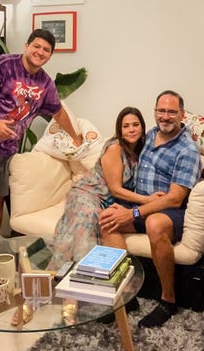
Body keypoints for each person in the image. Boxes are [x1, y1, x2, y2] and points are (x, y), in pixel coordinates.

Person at [0, 28, 82, 251]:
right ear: (26, 46)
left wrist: (77, 137)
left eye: (46, 50)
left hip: (6, 149)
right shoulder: (3, 66)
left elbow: (58, 112)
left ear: (50, 56)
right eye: (37, 46)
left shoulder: (44, 83)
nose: (40, 52)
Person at [99, 90, 202, 328]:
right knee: (106, 218)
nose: (165, 116)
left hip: (170, 211)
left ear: (182, 114)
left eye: (172, 112)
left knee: (155, 223)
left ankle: (168, 300)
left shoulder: (187, 150)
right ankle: (125, 294)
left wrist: (133, 212)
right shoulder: (151, 134)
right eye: (161, 111)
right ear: (155, 112)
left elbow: (175, 199)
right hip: (142, 203)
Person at [50, 106, 166, 269]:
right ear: (119, 130)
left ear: (142, 127)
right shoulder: (115, 148)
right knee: (91, 218)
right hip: (87, 193)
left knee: (106, 217)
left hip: (107, 201)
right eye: (126, 126)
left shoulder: (141, 149)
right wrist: (148, 200)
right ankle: (78, 274)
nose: (131, 130)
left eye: (135, 125)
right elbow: (116, 190)